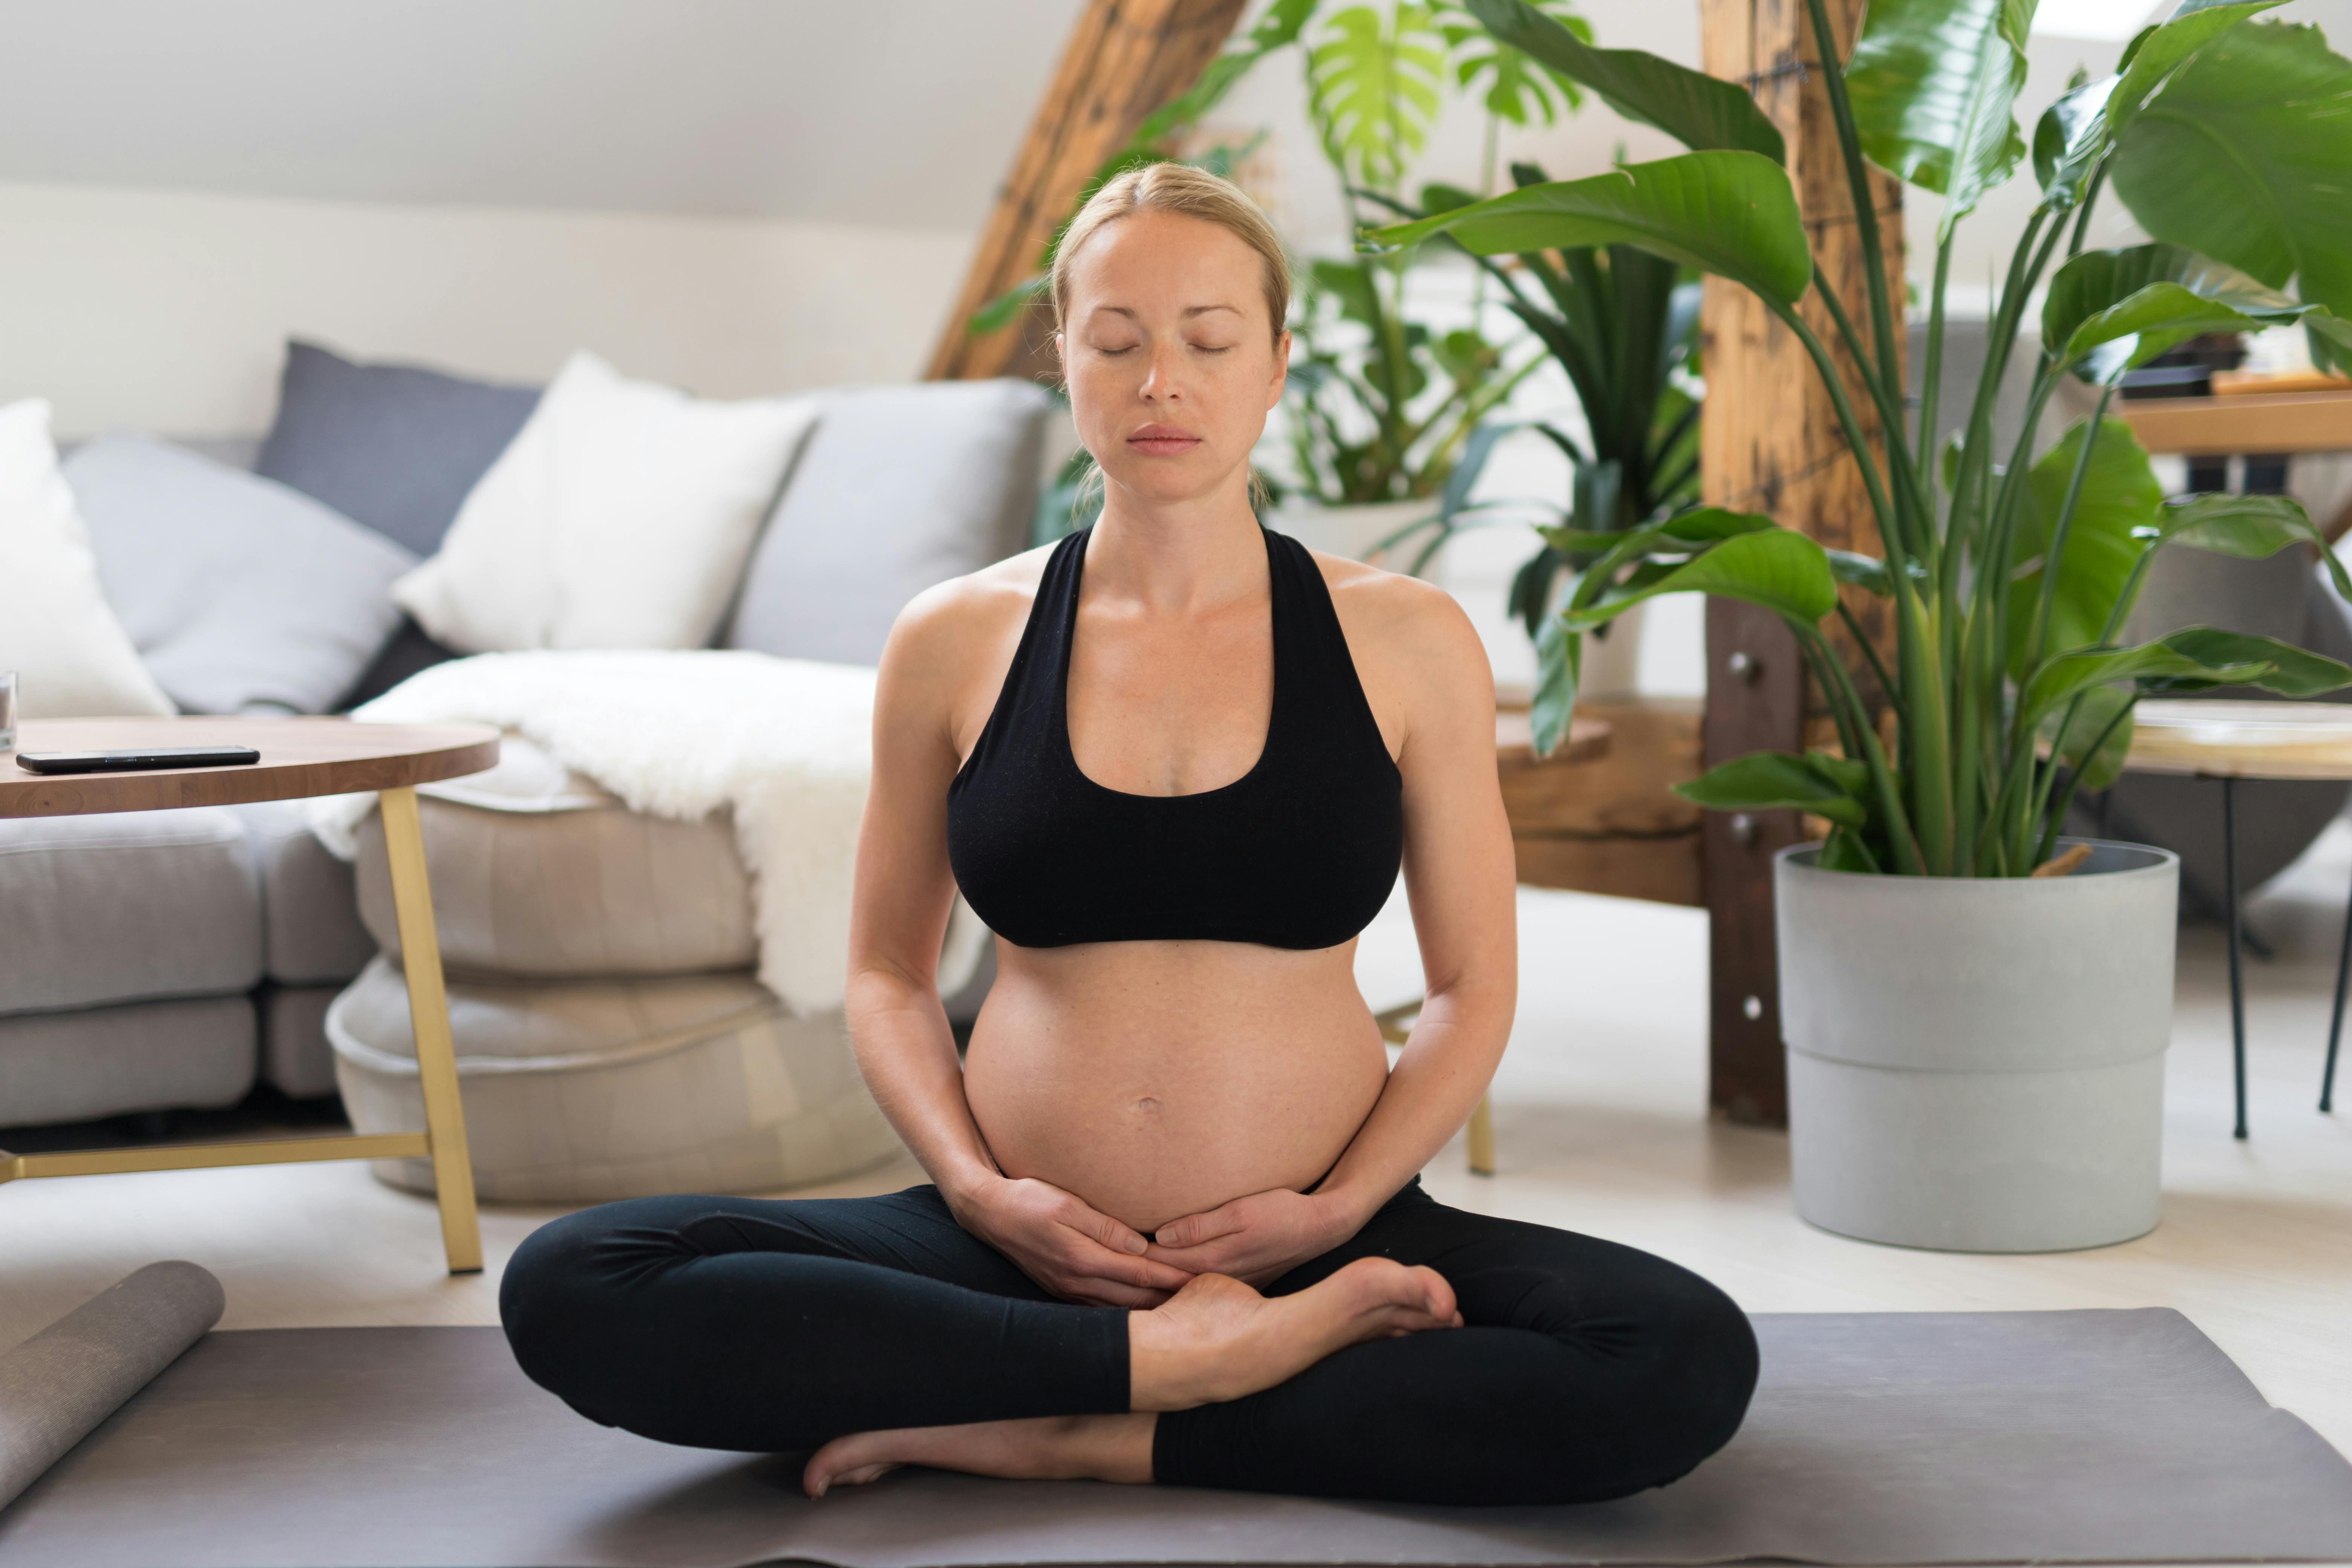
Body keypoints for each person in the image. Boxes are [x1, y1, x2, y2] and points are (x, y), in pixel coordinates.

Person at [499, 162, 1758, 1507]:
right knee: (576, 1284)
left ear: (1276, 365)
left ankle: (1080, 1416)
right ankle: (1170, 1371)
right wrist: (980, 1196)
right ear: (1066, 361)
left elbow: (1471, 988)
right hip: (1012, 1244)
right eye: (1116, 341)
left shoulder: (1407, 638)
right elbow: (885, 974)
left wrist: (1335, 1217)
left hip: (1323, 1242)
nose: (1163, 382)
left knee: (1677, 1355)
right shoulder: (953, 640)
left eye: (1210, 341)